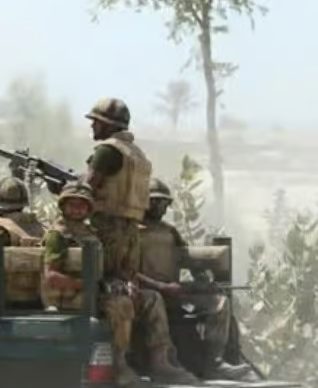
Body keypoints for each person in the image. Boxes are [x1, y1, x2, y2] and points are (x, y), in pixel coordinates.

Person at [40, 181, 198, 387]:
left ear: (89, 208)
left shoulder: (90, 233)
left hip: (95, 291)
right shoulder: (58, 235)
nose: (77, 209)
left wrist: (123, 283)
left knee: (152, 298)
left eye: (82, 205)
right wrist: (87, 285)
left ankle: (160, 361)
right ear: (63, 206)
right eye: (72, 204)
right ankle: (120, 366)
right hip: (70, 296)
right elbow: (51, 276)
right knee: (120, 304)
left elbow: (106, 269)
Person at [136, 177, 251, 380]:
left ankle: (214, 362)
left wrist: (202, 281)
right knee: (155, 298)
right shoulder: (131, 232)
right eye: (154, 201)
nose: (160, 206)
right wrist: (161, 286)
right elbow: (126, 270)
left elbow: (188, 258)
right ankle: (162, 363)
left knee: (218, 302)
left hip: (172, 291)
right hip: (144, 293)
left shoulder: (169, 231)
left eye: (164, 202)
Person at [83, 97, 152, 283]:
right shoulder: (136, 154)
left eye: (96, 122)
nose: (92, 126)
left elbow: (85, 190)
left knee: (100, 284)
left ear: (108, 125)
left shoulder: (107, 151)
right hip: (131, 233)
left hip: (106, 229)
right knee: (124, 284)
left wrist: (64, 189)